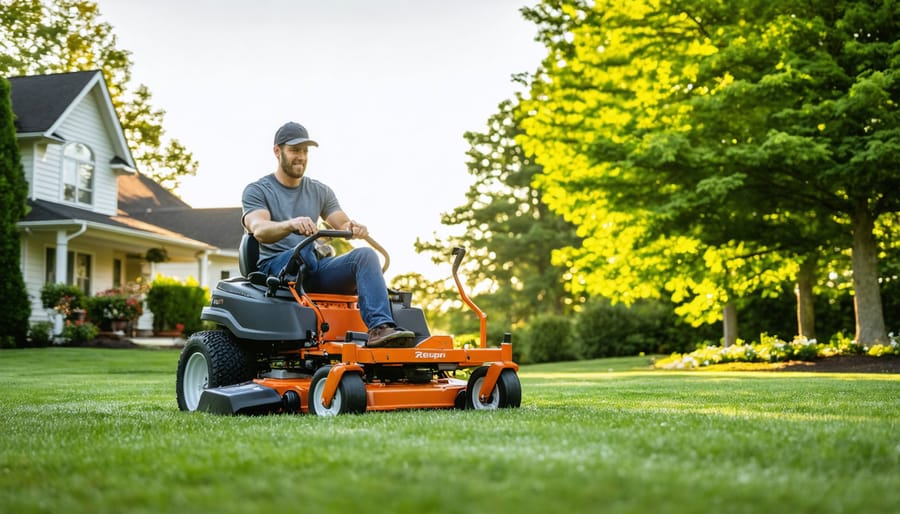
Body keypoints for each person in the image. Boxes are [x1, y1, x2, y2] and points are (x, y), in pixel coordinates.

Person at [241, 121, 415, 348]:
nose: (300, 157)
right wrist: (291, 224)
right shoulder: (258, 190)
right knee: (306, 251)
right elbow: (260, 230)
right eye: (294, 150)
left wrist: (353, 227)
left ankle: (380, 328)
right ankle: (314, 252)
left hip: (310, 267)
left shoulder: (319, 190)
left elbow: (341, 221)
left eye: (304, 151)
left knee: (364, 255)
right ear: (277, 151)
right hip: (276, 266)